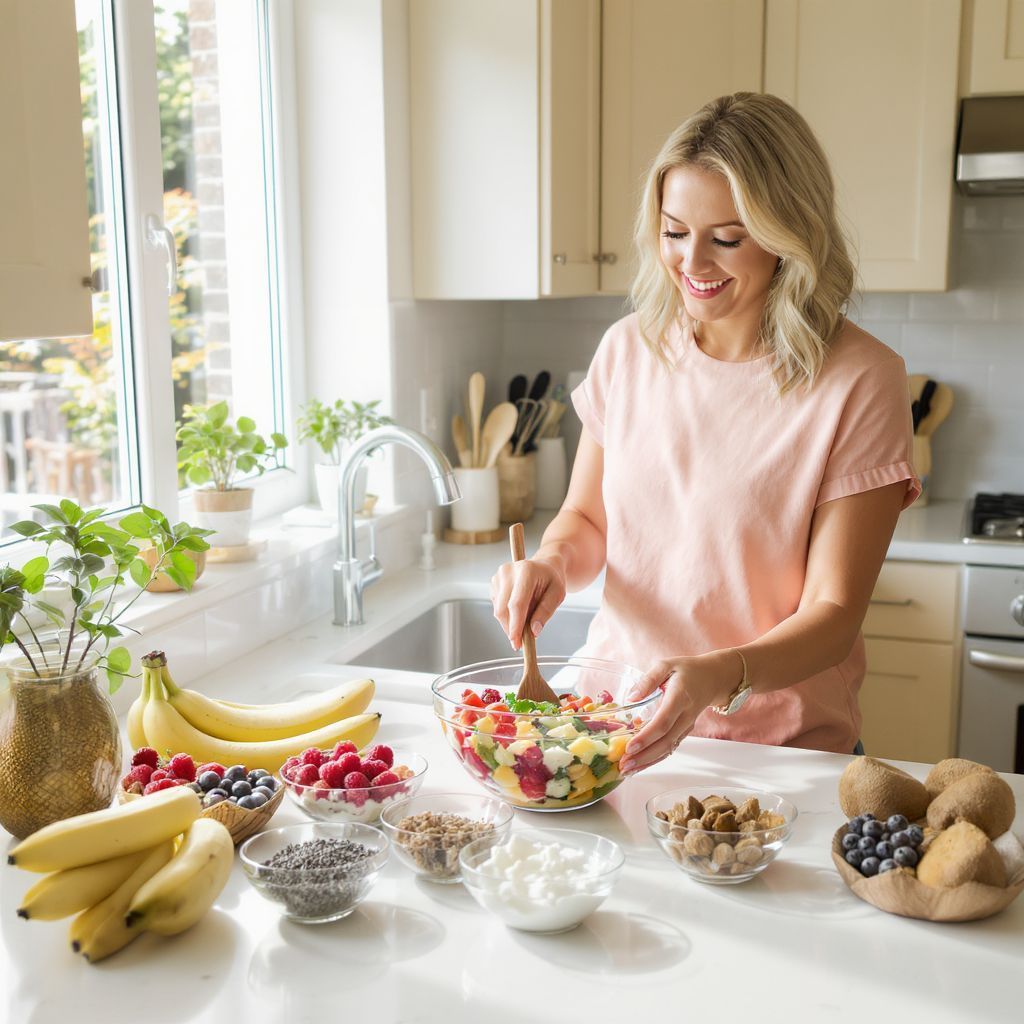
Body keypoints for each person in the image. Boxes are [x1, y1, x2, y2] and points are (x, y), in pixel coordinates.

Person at [490, 92, 919, 775]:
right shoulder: (628, 349)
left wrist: (719, 675)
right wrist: (551, 567)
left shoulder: (860, 379)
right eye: (673, 231)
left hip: (776, 753)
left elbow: (833, 615)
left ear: (789, 234)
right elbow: (586, 519)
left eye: (727, 237)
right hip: (611, 727)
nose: (693, 262)